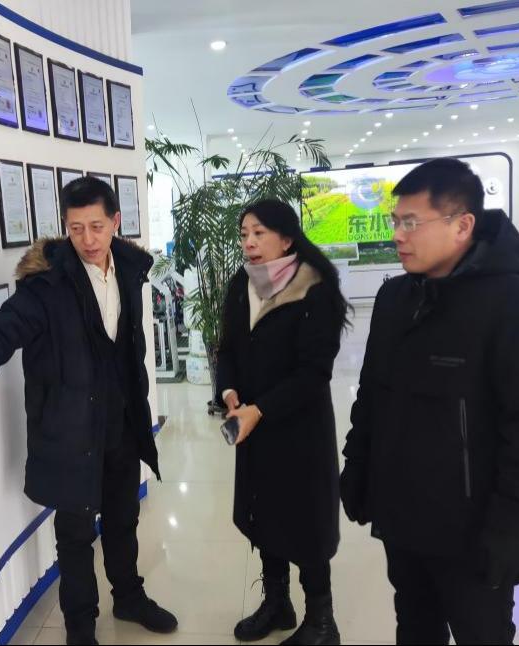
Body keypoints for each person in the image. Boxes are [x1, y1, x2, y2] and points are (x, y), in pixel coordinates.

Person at [0, 177, 177, 646]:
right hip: (71, 433)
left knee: (123, 519)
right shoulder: (47, 286)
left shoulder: (129, 270)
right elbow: (1, 330)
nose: (88, 239)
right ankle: (80, 627)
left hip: (121, 425)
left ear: (116, 222)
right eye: (76, 229)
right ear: (65, 226)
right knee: (75, 535)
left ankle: (129, 596)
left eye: (97, 226)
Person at [340, 158, 519, 645]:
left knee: (481, 634)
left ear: (463, 225)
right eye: (395, 221)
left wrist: (512, 527)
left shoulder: (518, 306)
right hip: (403, 517)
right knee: (414, 627)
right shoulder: (395, 300)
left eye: (411, 222)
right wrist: (357, 467)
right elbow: (372, 395)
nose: (398, 235)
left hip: (474, 530)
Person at [217, 198, 350, 645]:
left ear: (287, 239)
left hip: (298, 428)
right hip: (252, 424)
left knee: (305, 522)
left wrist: (260, 410)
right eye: (244, 234)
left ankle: (322, 621)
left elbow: (314, 372)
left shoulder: (315, 289)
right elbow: (228, 349)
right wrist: (229, 392)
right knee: (265, 514)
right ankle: (277, 604)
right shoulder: (241, 285)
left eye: (259, 233)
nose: (249, 243)